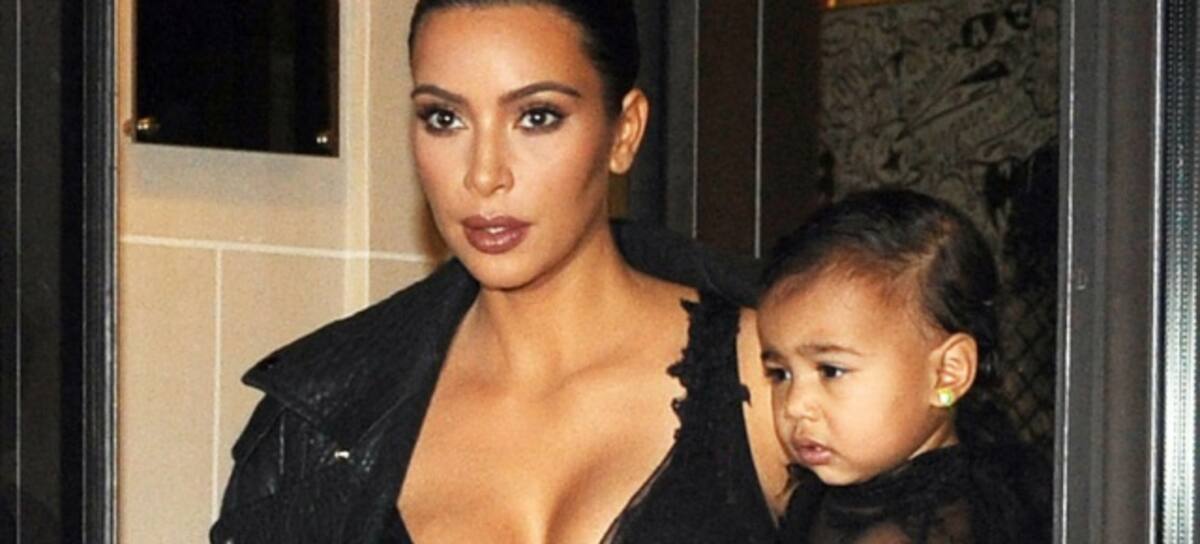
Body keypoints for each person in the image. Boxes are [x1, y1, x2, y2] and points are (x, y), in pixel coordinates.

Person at [209, 1, 794, 542]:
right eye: (444, 118)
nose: (484, 174)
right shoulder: (316, 422)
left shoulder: (778, 375)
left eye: (537, 117)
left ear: (625, 132)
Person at [757, 189, 1051, 543]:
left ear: (947, 373)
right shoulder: (843, 493)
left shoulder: (916, 531)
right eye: (780, 374)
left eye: (831, 370)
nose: (794, 405)